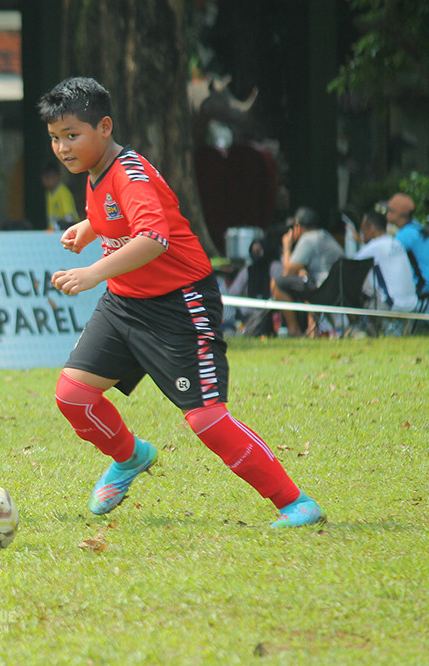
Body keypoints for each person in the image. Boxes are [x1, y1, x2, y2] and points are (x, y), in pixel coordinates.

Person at [37, 76, 324, 529]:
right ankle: (130, 457)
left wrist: (92, 272)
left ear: (105, 127)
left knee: (206, 419)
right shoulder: (96, 171)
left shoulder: (129, 174)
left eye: (72, 135)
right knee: (74, 395)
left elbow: (153, 238)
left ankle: (295, 502)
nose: (63, 148)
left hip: (179, 305)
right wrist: (89, 229)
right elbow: (112, 212)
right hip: (125, 303)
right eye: (55, 138)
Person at [270, 207, 344, 336]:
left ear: (298, 226)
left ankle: (294, 330)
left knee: (276, 284)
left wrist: (287, 247)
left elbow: (288, 271)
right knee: (305, 281)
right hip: (339, 289)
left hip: (322, 289)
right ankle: (312, 331)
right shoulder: (325, 235)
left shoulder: (308, 238)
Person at [353, 209, 418, 330]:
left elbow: (351, 265)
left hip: (394, 304)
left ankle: (357, 331)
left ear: (371, 228)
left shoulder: (375, 246)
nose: (362, 233)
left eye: (363, 229)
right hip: (412, 303)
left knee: (356, 295)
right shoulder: (395, 242)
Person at [387, 193, 429, 296]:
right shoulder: (415, 227)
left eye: (388, 210)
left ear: (397, 214)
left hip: (422, 291)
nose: (386, 213)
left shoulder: (406, 235)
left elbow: (388, 255)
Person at [41, 161, 79, 232]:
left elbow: (69, 218)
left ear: (58, 176)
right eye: (45, 177)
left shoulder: (63, 192)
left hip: (67, 231)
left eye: (50, 177)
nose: (48, 180)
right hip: (53, 232)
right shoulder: (49, 193)